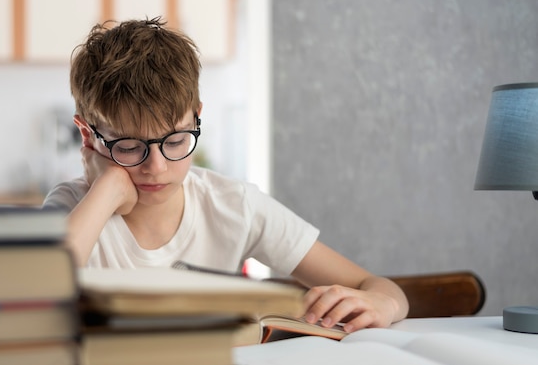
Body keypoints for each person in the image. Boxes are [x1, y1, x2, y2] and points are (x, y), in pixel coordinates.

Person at [43, 17, 408, 333]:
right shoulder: (74, 210)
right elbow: (32, 299)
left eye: (175, 139)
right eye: (127, 146)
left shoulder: (233, 205)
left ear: (197, 116)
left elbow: (376, 287)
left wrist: (385, 305)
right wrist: (107, 189)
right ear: (88, 134)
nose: (156, 166)